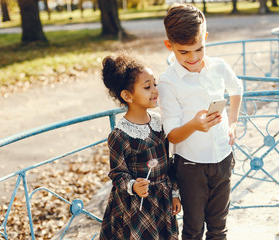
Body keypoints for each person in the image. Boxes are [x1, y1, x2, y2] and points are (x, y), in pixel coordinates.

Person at [158, 3, 243, 240]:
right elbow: (172, 135)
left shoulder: (218, 66)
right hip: (191, 167)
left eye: (199, 49)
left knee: (219, 228)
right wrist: (194, 126)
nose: (193, 58)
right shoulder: (167, 82)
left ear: (205, 38)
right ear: (170, 46)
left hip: (224, 159)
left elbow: (237, 88)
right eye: (183, 52)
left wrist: (234, 123)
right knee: (194, 230)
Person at [99, 53, 181, 240]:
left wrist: (175, 193)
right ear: (127, 95)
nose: (155, 90)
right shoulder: (120, 135)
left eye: (154, 84)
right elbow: (117, 174)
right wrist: (133, 185)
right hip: (136, 206)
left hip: (162, 200)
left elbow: (168, 163)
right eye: (147, 87)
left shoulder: (160, 123)